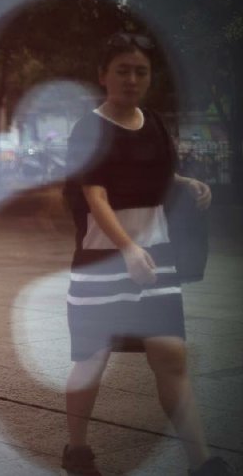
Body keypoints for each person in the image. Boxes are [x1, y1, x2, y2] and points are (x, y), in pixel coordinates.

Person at [61, 33, 231, 476]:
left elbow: (150, 170)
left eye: (141, 71)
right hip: (103, 263)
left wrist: (184, 183)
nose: (132, 79)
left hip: (156, 258)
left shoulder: (153, 122)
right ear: (103, 75)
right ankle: (76, 450)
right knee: (91, 361)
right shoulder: (89, 129)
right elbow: (96, 195)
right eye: (122, 69)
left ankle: (202, 462)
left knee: (171, 356)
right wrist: (128, 248)